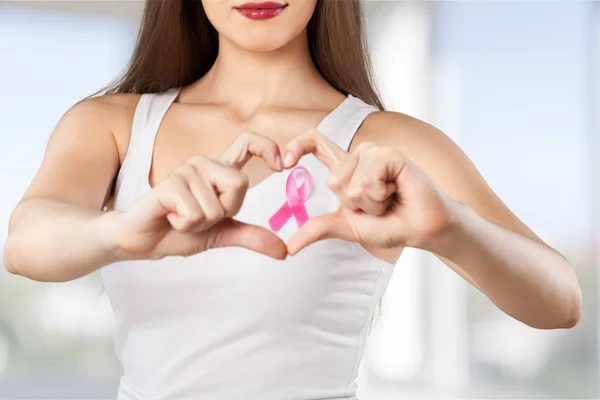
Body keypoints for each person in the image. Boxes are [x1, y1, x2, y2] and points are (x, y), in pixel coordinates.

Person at [4, 0, 582, 399]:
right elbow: (26, 241)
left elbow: (560, 299)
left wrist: (450, 228)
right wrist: (121, 231)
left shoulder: (389, 142)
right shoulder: (112, 125)